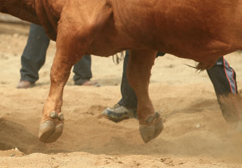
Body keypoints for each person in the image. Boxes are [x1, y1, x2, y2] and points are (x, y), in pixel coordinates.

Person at [102, 52, 240, 125]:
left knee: (212, 54)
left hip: (188, 19)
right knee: (136, 49)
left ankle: (235, 115)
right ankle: (129, 104)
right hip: (161, 19)